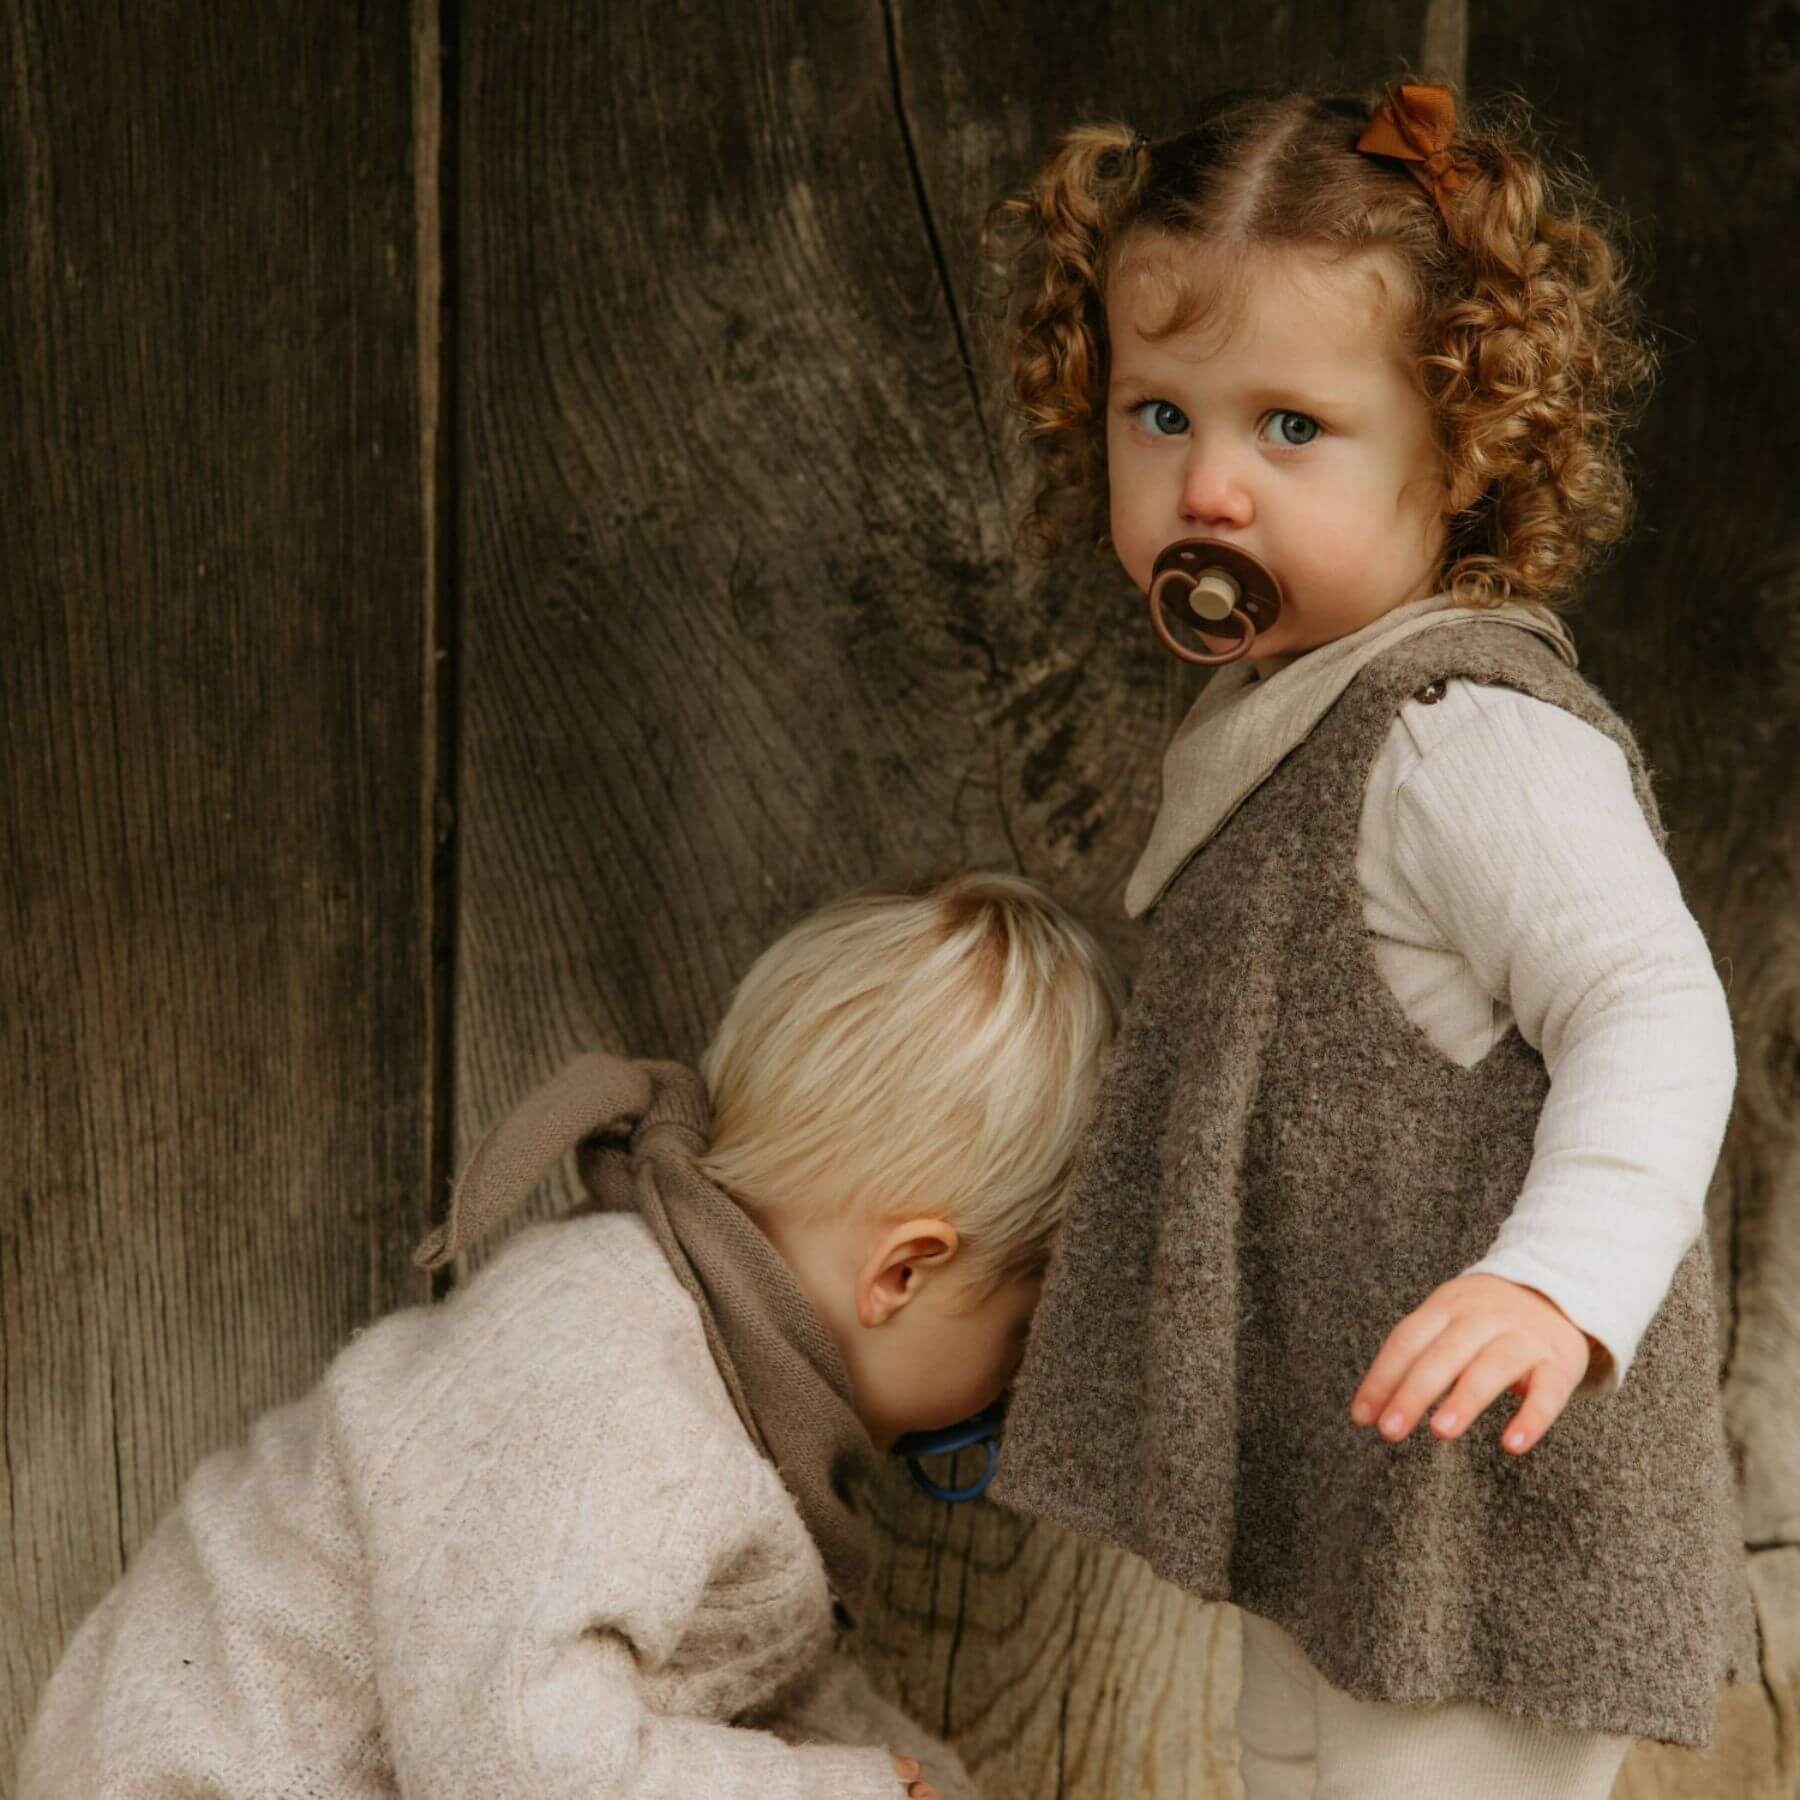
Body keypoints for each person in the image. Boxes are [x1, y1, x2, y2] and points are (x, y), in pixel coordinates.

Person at [978, 77, 1762, 1799]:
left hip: (1492, 1517)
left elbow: (1656, 1007)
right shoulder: (1300, 719)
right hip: (1357, 1489)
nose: (1212, 487)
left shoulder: (1468, 739)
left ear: (1462, 448)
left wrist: (1558, 1280)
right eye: (1160, 415)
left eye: (1292, 429)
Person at [17, 871, 1126, 1799]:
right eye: (1022, 1327)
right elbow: (520, 1760)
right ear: (904, 1271)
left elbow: (769, 1711)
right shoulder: (608, 1369)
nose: (1020, 1374)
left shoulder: (738, 1397)